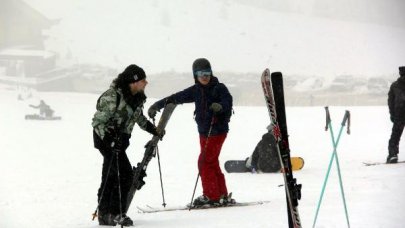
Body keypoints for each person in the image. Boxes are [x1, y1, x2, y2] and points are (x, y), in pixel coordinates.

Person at [148, 58, 233, 206]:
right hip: (203, 132)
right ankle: (221, 194)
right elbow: (176, 97)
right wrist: (158, 104)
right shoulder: (196, 90)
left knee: (204, 162)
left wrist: (220, 106)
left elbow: (228, 102)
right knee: (211, 162)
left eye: (207, 73)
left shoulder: (219, 88)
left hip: (216, 131)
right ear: (195, 75)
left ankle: (211, 196)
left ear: (211, 73)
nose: (204, 77)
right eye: (201, 74)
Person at [92, 64, 163, 226]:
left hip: (120, 143)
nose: (146, 83)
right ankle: (115, 213)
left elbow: (139, 119)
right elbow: (97, 123)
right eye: (143, 80)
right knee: (123, 175)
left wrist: (154, 130)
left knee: (110, 176)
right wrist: (110, 140)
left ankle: (105, 215)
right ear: (133, 81)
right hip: (106, 141)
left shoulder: (136, 98)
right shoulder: (112, 97)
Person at [387, 66, 405, 163]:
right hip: (399, 114)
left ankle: (393, 154)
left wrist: (392, 114)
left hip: (399, 114)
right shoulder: (395, 86)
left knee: (395, 135)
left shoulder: (395, 85)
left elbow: (390, 101)